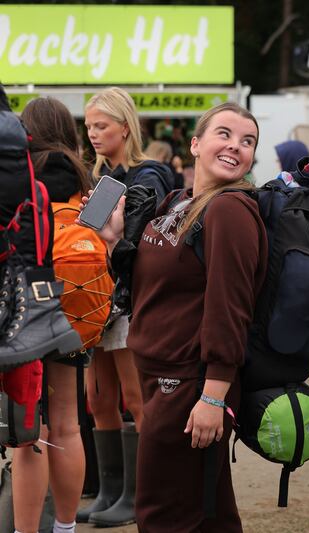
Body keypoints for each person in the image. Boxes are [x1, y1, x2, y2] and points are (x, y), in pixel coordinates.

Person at [86, 102, 267, 531]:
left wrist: (213, 396)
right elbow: (151, 286)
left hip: (190, 384)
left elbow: (231, 306)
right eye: (224, 134)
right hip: (161, 377)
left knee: (162, 513)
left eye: (247, 141)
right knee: (207, 513)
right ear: (196, 143)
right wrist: (113, 243)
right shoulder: (177, 201)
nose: (235, 146)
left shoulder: (230, 210)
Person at [78, 87, 173, 526]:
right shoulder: (100, 176)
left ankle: (139, 495)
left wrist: (104, 229)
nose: (93, 133)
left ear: (125, 126)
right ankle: (113, 492)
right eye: (89, 126)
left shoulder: (146, 174)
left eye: (101, 125)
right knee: (98, 399)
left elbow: (136, 239)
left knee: (135, 398)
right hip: (100, 299)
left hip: (130, 298)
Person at [7, 97, 91, 533]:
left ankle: (25, 530)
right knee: (68, 425)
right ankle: (66, 526)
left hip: (27, 307)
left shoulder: (20, 171)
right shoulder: (83, 173)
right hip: (74, 307)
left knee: (29, 432)